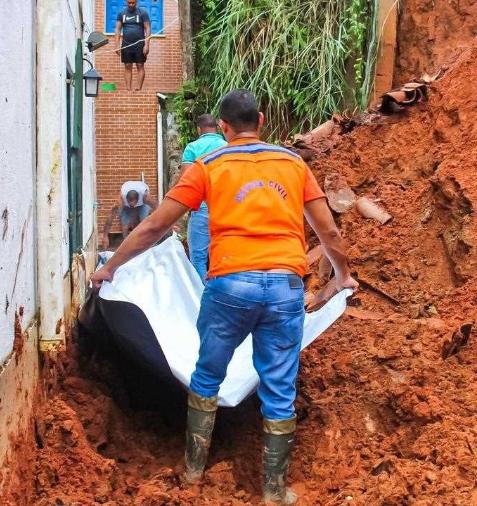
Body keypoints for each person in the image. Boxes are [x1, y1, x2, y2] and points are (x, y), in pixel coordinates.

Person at [91, 89, 357, 504]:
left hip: (229, 285)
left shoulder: (207, 164)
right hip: (285, 287)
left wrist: (111, 267)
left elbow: (154, 226)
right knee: (279, 386)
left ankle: (194, 473)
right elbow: (329, 231)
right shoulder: (292, 164)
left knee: (207, 375)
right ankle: (272, 491)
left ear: (225, 128)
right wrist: (342, 276)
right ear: (263, 120)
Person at [181, 114, 227, 282]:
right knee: (222, 257)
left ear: (198, 129)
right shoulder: (227, 146)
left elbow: (186, 181)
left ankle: (200, 298)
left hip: (201, 208)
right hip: (226, 209)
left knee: (198, 258)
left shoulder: (193, 147)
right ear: (218, 127)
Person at [101, 180, 157, 250]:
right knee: (125, 225)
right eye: (130, 205)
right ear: (126, 200)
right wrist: (105, 236)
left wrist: (167, 224)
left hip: (143, 204)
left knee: (143, 222)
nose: (133, 208)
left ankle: (144, 245)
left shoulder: (145, 197)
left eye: (134, 205)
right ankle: (126, 246)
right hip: (125, 205)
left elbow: (157, 208)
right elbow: (110, 217)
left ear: (137, 200)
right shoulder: (121, 201)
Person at [114, 0, 151, 92]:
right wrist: (117, 45)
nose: (131, 4)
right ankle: (128, 89)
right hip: (126, 44)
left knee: (140, 65)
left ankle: (138, 88)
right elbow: (118, 29)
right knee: (127, 65)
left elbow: (148, 28)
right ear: (126, 2)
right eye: (129, 3)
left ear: (136, 2)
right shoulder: (121, 13)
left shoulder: (143, 13)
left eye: (133, 3)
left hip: (140, 44)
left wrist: (146, 45)